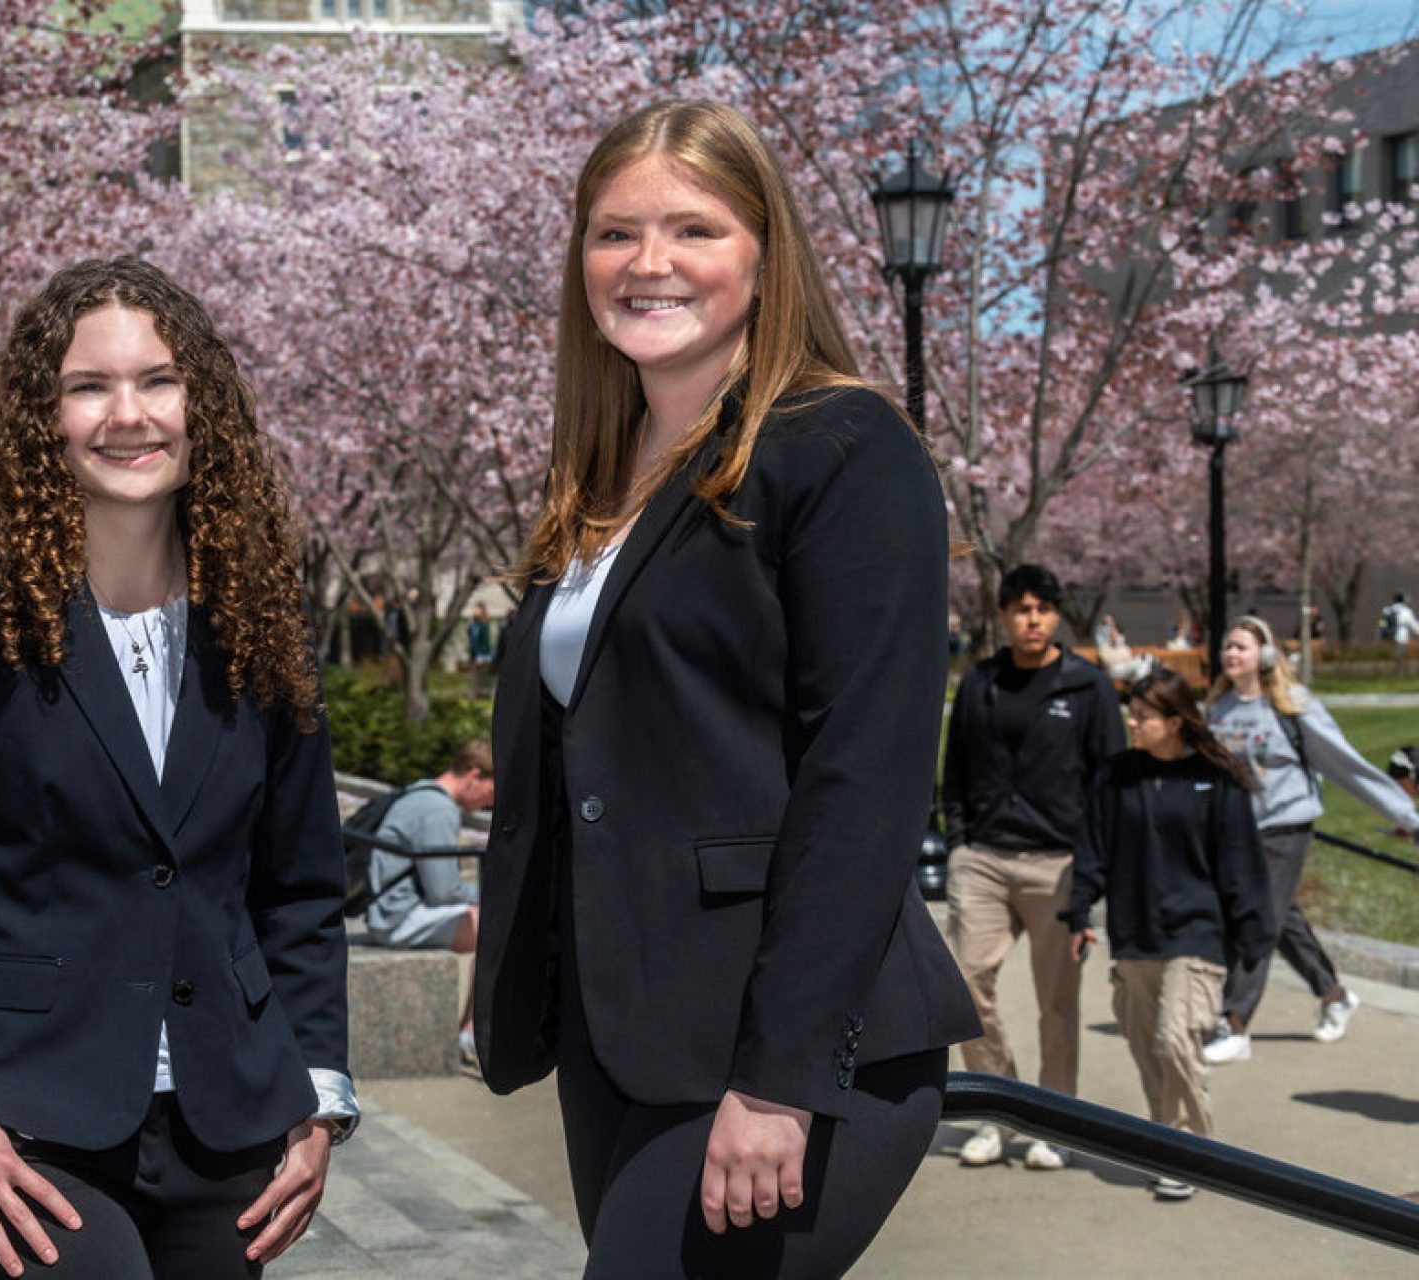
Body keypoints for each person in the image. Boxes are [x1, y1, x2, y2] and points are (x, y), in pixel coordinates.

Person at [473, 100, 979, 1277]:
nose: (648, 263)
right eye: (614, 234)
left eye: (693, 228)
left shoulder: (842, 445)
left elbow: (866, 777)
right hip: (628, 1034)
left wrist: (781, 1077)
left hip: (791, 1051)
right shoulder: (596, 482)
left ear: (765, 253)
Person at [0, 257, 355, 1279]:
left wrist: (318, 1092)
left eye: (157, 380)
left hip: (224, 1126)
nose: (128, 414)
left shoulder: (259, 613)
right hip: (16, 1122)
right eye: (88, 386)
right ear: (39, 416)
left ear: (203, 405)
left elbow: (304, 890)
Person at [1062, 669, 1274, 1202]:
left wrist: (1252, 936)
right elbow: (1092, 849)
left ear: (1176, 721)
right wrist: (1081, 913)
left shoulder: (1216, 780)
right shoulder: (1117, 776)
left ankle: (1193, 1153)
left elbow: (1241, 864)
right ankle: (1166, 1143)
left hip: (1198, 934)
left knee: (1173, 1041)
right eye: (1132, 714)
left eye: (1144, 716)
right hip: (1134, 934)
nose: (1133, 723)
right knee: (1146, 1049)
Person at [941, 563, 1124, 1170]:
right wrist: (961, 839)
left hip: (1059, 863)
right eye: (1020, 609)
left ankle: (1053, 1119)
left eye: (1042, 609)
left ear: (1056, 615)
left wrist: (1093, 870)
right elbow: (956, 768)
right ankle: (999, 1109)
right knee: (964, 985)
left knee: (1058, 1003)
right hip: (985, 859)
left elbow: (1110, 780)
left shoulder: (1087, 687)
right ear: (1002, 618)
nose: (1032, 619)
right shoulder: (980, 683)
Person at [1200, 615, 1419, 1064]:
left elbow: (1345, 764)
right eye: (1228, 646)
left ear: (1263, 655)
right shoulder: (1218, 708)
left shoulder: (1290, 705)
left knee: (1257, 919)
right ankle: (1334, 994)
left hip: (1286, 826)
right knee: (1282, 921)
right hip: (1237, 832)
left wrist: (1406, 816)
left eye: (1242, 646)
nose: (1231, 654)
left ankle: (1234, 1022)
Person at [364, 739, 494, 1062]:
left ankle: (471, 1029)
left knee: (491, 917)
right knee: (497, 924)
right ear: (474, 776)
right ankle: (472, 1032)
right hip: (397, 918)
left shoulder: (420, 793)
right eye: (490, 793)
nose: (488, 803)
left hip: (386, 910)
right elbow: (444, 892)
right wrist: (495, 895)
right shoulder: (438, 810)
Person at [1382, 591, 1419, 673]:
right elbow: (1412, 624)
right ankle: (1400, 674)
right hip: (1401, 637)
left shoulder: (1387, 610)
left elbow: (1383, 623)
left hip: (1389, 636)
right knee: (1400, 655)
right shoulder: (1405, 611)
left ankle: (1395, 672)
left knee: (1394, 655)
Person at [466, 603, 496, 696]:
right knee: (474, 678)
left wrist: (482, 656)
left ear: (482, 611)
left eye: (477, 609)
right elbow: (471, 638)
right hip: (473, 654)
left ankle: (484, 697)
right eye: (474, 609)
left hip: (483, 656)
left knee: (483, 679)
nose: (475, 611)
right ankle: (475, 696)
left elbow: (486, 641)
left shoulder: (484, 624)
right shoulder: (473, 624)